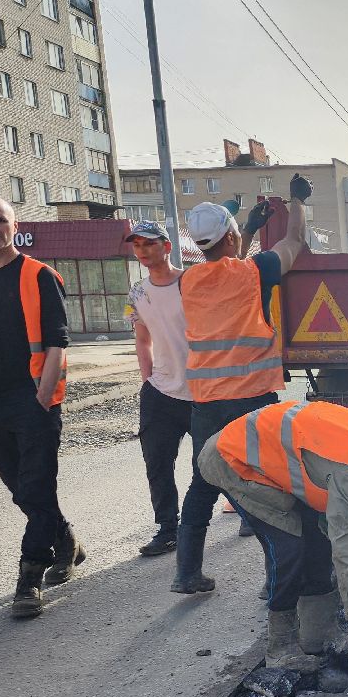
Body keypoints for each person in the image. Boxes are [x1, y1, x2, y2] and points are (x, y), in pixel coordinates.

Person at [198, 400, 348, 667]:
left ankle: (318, 633)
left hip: (274, 459)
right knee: (289, 549)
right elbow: (345, 548)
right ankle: (280, 647)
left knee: (318, 542)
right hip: (234, 459)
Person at [170, 181, 308, 594]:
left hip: (207, 403)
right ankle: (276, 581)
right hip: (252, 399)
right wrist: (299, 200)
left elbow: (222, 266)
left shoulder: (187, 282)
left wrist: (245, 230)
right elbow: (294, 241)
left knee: (203, 482)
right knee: (267, 486)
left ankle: (187, 574)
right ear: (230, 236)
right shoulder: (256, 270)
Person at [0, 196, 82, 619]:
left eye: (0, 220)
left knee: (36, 488)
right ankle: (65, 541)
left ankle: (30, 577)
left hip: (31, 402)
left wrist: (43, 399)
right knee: (24, 491)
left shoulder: (39, 276)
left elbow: (57, 344)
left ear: (14, 225)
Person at [125, 220, 191, 557]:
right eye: (137, 245)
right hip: (161, 392)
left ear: (166, 247)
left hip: (203, 391)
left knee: (216, 460)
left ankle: (246, 514)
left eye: (149, 244)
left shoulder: (192, 283)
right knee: (158, 463)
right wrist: (147, 379)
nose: (142, 250)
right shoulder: (138, 291)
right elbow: (142, 338)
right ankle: (168, 529)